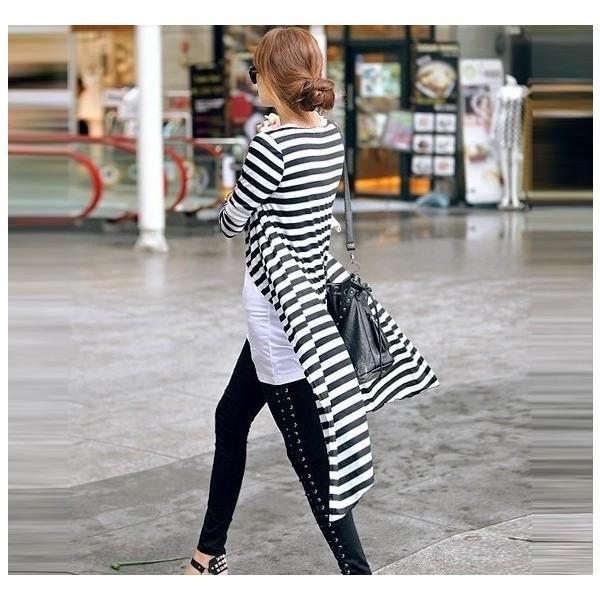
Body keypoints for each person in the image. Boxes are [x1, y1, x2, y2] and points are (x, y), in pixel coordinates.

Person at [183, 26, 372, 576]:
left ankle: (358, 573)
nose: (253, 81)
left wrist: (256, 155)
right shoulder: (328, 135)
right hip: (306, 300)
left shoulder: (270, 144)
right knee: (230, 419)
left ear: (271, 77)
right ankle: (208, 556)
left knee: (311, 460)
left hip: (276, 313)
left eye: (255, 72)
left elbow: (230, 222)